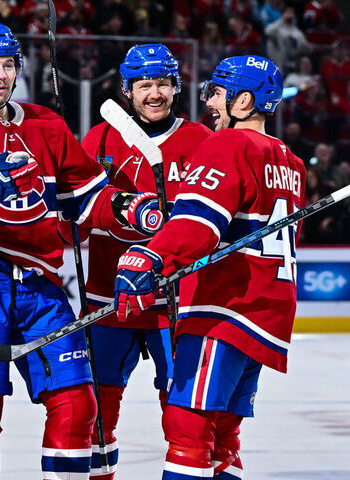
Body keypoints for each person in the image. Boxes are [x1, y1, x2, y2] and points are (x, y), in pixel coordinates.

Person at [0, 23, 163, 480]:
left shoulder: (46, 124)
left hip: (41, 284)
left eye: (8, 65)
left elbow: (86, 198)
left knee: (77, 405)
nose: (0, 76)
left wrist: (126, 206)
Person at [112, 55, 307, 479]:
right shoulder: (291, 161)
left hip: (225, 306)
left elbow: (199, 224)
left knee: (188, 432)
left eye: (218, 94)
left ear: (244, 100)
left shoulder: (226, 144)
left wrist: (151, 256)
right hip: (267, 312)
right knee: (223, 439)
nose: (210, 104)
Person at [78, 44, 212, 479]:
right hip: (107, 301)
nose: (155, 94)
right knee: (94, 418)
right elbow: (75, 214)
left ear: (176, 87)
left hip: (175, 305)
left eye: (163, 84)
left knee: (186, 419)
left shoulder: (201, 142)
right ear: (127, 90)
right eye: (144, 85)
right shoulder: (98, 139)